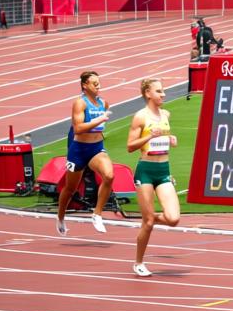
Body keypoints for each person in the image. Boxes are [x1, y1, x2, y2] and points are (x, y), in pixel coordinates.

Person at [126, 78, 180, 277]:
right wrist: (149, 136)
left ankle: (149, 218)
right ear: (148, 94)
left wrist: (170, 138)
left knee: (173, 219)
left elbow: (163, 139)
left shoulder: (166, 114)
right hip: (145, 172)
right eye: (159, 91)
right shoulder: (140, 117)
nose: (163, 94)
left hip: (163, 171)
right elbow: (130, 147)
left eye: (163, 91)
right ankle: (138, 262)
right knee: (147, 224)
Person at [56, 71, 116, 236]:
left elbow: (99, 127)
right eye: (94, 83)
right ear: (84, 85)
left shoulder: (104, 103)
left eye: (99, 83)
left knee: (109, 176)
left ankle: (97, 214)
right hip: (79, 150)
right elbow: (78, 128)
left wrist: (99, 128)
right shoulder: (79, 104)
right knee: (70, 188)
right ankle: (60, 217)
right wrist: (99, 120)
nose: (99, 86)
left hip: (96, 149)